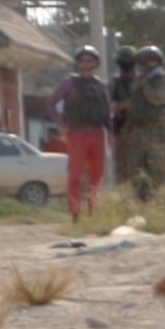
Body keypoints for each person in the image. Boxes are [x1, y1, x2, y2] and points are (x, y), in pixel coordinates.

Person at [51, 47, 114, 220]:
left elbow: (107, 112)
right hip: (77, 134)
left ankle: (94, 212)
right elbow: (51, 102)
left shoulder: (101, 86)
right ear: (77, 63)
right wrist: (61, 124)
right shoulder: (69, 83)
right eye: (82, 60)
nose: (85, 64)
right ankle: (75, 212)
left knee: (97, 176)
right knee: (75, 175)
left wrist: (110, 133)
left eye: (89, 60)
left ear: (96, 62)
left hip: (98, 134)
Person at [117, 43, 165, 212]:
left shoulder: (164, 80)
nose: (145, 65)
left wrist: (144, 84)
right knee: (138, 175)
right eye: (142, 62)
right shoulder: (139, 81)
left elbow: (157, 99)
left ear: (158, 62)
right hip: (139, 133)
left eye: (150, 61)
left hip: (158, 134)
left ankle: (160, 210)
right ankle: (141, 209)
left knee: (158, 174)